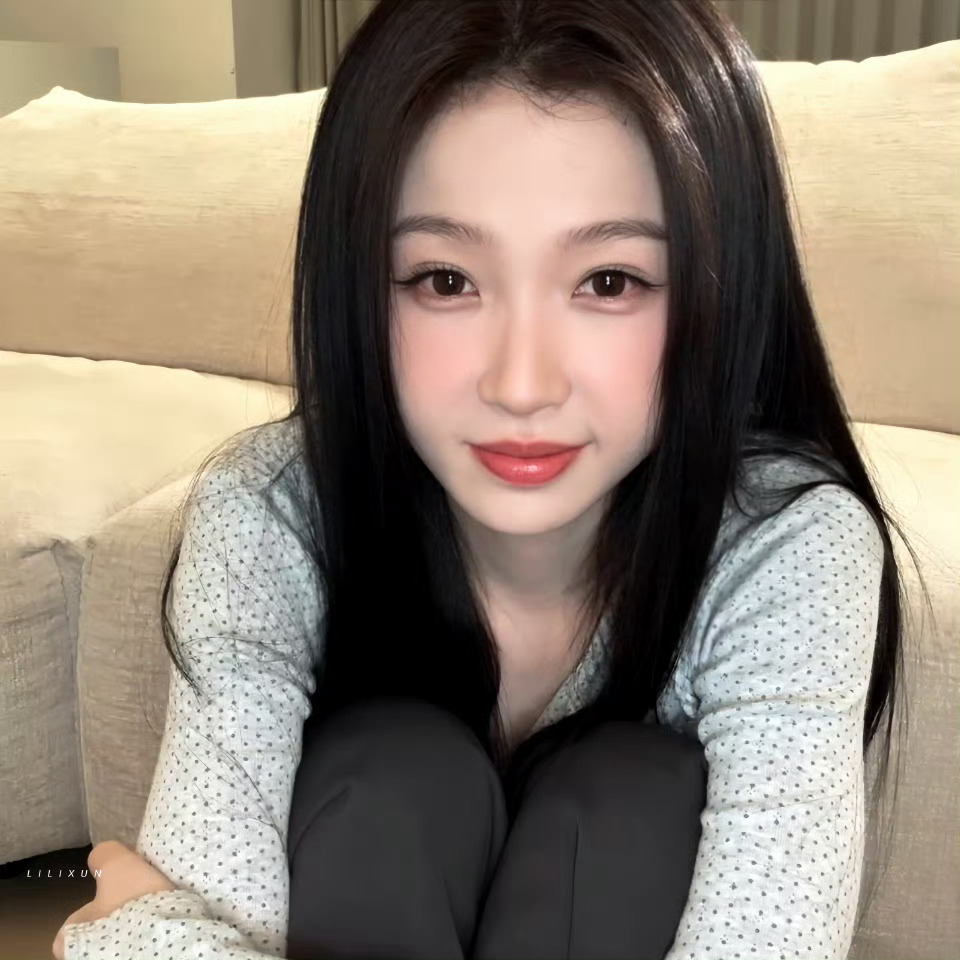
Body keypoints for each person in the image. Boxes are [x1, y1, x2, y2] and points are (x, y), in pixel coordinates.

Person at [54, 1, 930, 958]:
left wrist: (127, 940)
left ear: (723, 289)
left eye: (610, 281)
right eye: (445, 280)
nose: (521, 385)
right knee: (388, 776)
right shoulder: (274, 513)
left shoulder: (786, 541)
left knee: (634, 804)